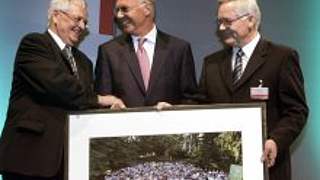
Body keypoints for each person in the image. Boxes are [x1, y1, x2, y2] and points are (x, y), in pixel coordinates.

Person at [0, 0, 120, 179]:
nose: (82, 26)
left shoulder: (84, 62)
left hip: (69, 163)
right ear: (56, 16)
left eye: (85, 22)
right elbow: (59, 86)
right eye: (77, 19)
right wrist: (101, 100)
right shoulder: (34, 44)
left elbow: (84, 103)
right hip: (30, 161)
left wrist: (110, 112)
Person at [198, 0, 308, 179]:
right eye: (219, 22)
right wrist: (170, 111)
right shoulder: (211, 63)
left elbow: (297, 111)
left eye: (227, 21)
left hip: (267, 167)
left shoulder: (281, 58)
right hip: (225, 167)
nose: (220, 28)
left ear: (250, 20)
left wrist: (276, 141)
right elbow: (199, 105)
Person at [95, 0, 198, 108]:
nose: (119, 15)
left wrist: (173, 111)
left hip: (167, 124)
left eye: (125, 9)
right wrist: (111, 109)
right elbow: (102, 100)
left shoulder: (179, 49)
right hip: (124, 124)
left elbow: (190, 100)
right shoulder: (108, 51)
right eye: (117, 10)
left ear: (147, 9)